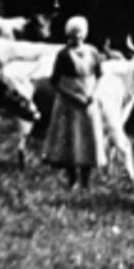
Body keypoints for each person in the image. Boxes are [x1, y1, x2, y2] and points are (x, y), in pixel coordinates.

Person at [43, 16, 104, 190]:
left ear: (85, 34)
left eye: (80, 34)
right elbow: (54, 82)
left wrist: (93, 94)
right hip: (68, 102)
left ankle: (86, 181)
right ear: (68, 35)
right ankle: (72, 180)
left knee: (88, 139)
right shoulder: (63, 55)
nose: (77, 37)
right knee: (70, 139)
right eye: (73, 34)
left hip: (89, 99)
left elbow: (99, 75)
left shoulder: (93, 52)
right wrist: (72, 96)